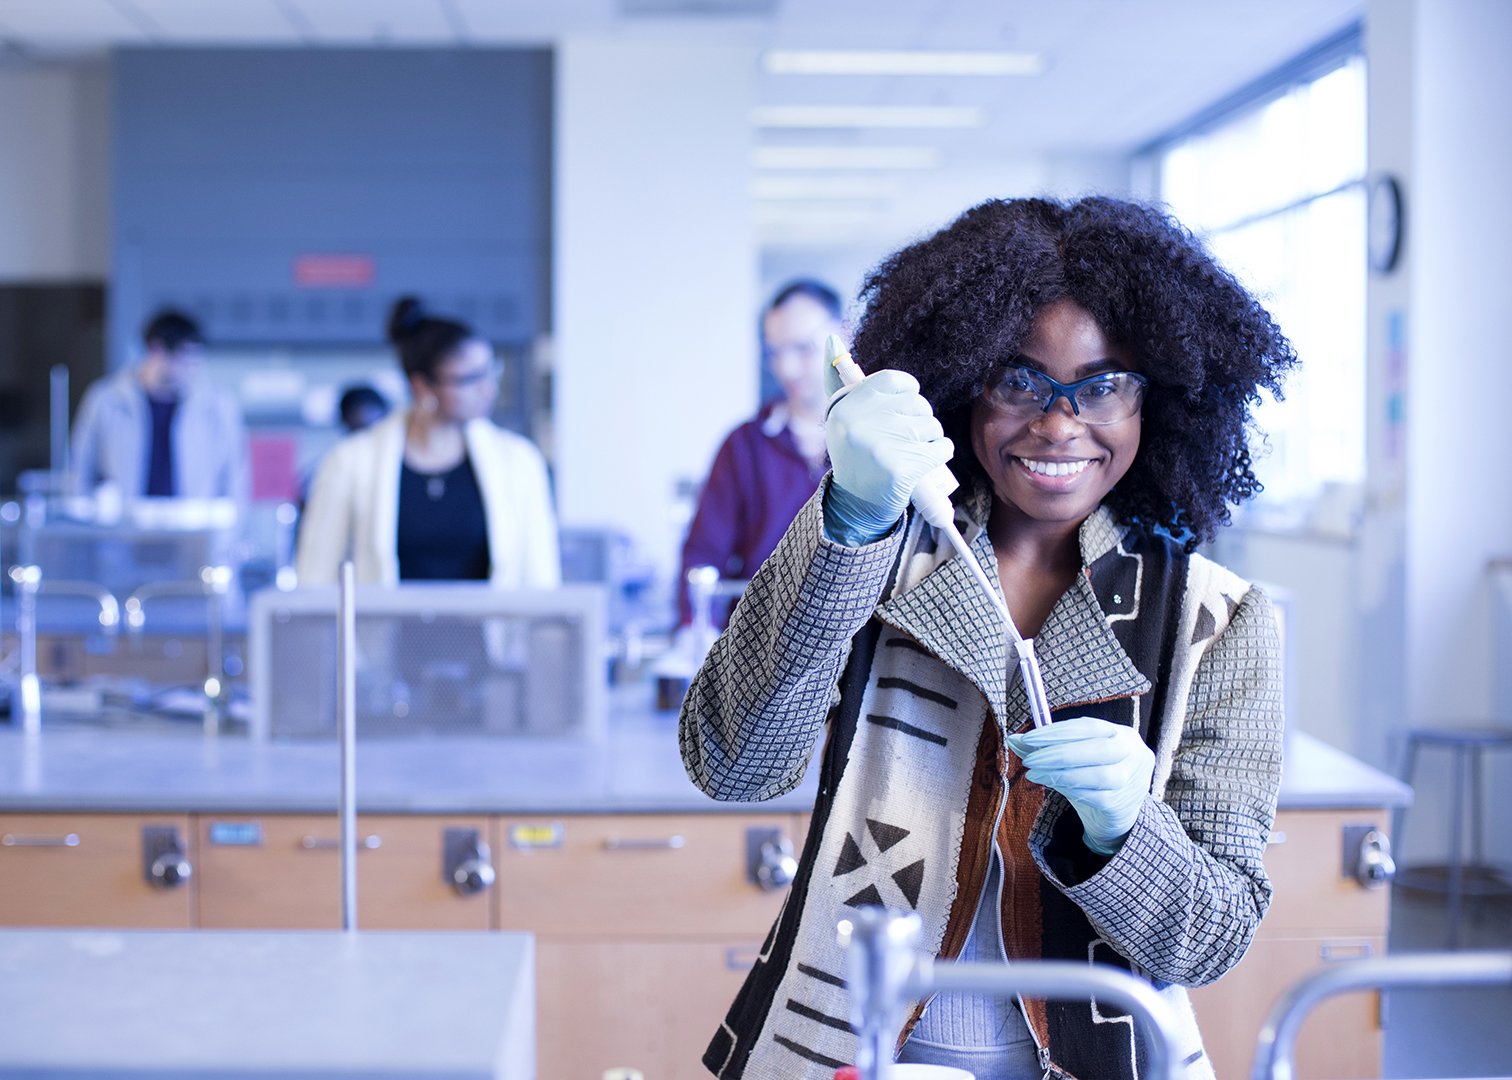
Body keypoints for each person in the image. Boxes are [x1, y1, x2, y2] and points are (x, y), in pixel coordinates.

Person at [680, 197, 1294, 1080]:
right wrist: (849, 523)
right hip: (855, 1054)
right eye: (1019, 380)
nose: (1056, 423)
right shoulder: (871, 554)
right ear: (963, 386)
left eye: (1104, 383)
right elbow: (731, 764)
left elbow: (1208, 939)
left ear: (1158, 401)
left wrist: (1130, 832)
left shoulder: (1217, 624)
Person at [295, 297, 559, 587]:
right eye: (470, 378)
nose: (488, 388)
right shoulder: (351, 461)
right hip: (383, 633)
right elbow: (315, 576)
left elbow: (541, 580)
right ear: (421, 385)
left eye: (490, 371)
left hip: (489, 633)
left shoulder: (518, 460)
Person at [676, 280, 846, 627]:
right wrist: (694, 631)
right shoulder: (743, 446)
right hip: (759, 646)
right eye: (776, 353)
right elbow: (704, 553)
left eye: (803, 348)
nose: (788, 369)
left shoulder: (870, 440)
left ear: (843, 337)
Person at [70, 309, 247, 503]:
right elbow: (79, 470)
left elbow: (235, 480)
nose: (194, 367)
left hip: (193, 530)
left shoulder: (218, 406)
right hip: (124, 528)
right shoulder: (106, 401)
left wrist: (226, 532)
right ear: (157, 350)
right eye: (186, 356)